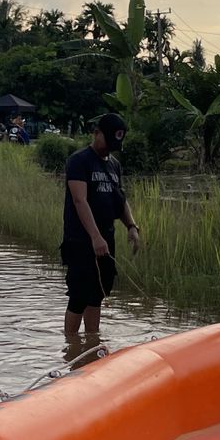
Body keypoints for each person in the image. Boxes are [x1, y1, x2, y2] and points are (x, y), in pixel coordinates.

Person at [61, 112, 140, 335]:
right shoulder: (79, 161)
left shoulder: (114, 165)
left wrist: (132, 226)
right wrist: (95, 236)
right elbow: (79, 200)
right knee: (79, 295)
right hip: (80, 240)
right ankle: (71, 347)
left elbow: (120, 200)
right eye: (107, 141)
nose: (109, 148)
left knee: (98, 294)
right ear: (96, 133)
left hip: (106, 239)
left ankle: (91, 342)